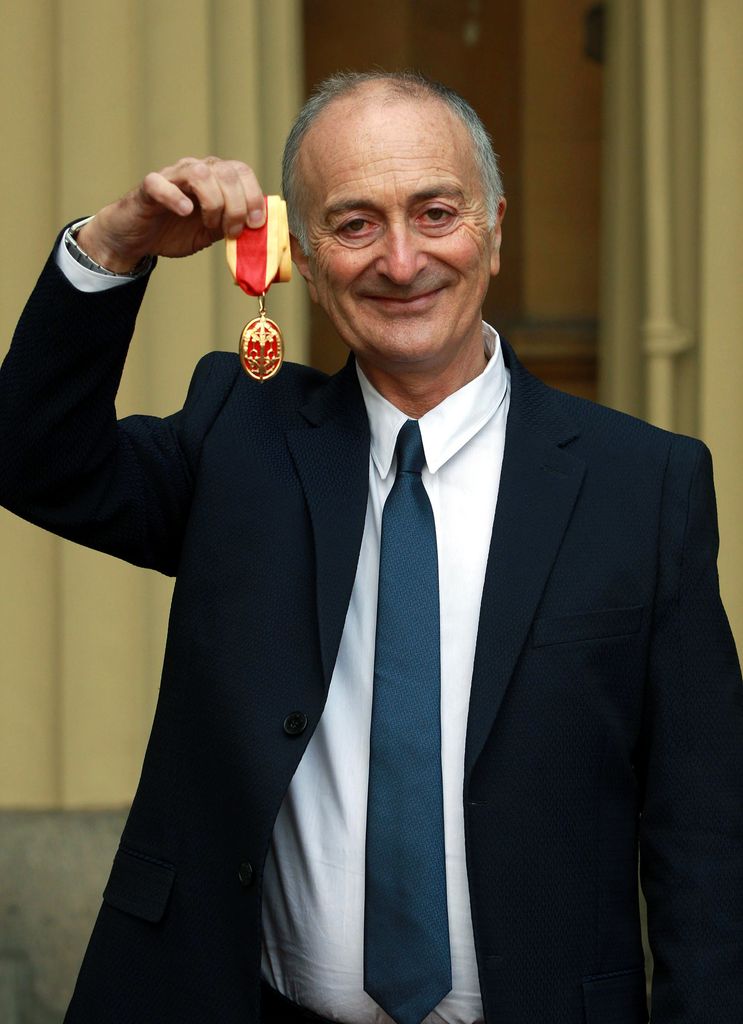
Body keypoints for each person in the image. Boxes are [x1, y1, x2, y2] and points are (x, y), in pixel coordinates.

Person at [1, 70, 741, 1024]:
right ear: (303, 261)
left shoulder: (644, 487)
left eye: (436, 212)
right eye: (353, 225)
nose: (401, 260)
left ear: (497, 228)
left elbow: (705, 837)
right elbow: (34, 459)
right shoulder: (240, 441)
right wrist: (113, 247)